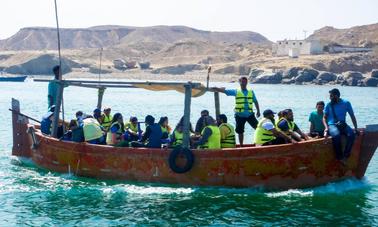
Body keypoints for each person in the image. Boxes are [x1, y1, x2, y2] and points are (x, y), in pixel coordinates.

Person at [212, 76, 261, 146]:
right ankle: (241, 145)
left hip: (250, 114)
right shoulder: (236, 91)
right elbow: (225, 91)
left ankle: (257, 141)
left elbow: (255, 101)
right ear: (239, 82)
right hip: (239, 115)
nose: (243, 83)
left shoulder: (251, 91)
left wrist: (258, 111)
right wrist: (216, 88)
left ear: (247, 82)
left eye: (245, 81)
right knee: (240, 131)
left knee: (257, 127)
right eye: (242, 81)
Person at [323, 88, 358, 161]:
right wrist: (326, 128)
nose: (330, 98)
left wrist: (356, 128)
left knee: (351, 135)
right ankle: (339, 157)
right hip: (332, 125)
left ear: (336, 96)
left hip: (342, 124)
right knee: (336, 135)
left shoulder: (346, 103)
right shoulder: (328, 105)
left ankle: (346, 155)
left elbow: (352, 115)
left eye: (331, 96)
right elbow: (324, 118)